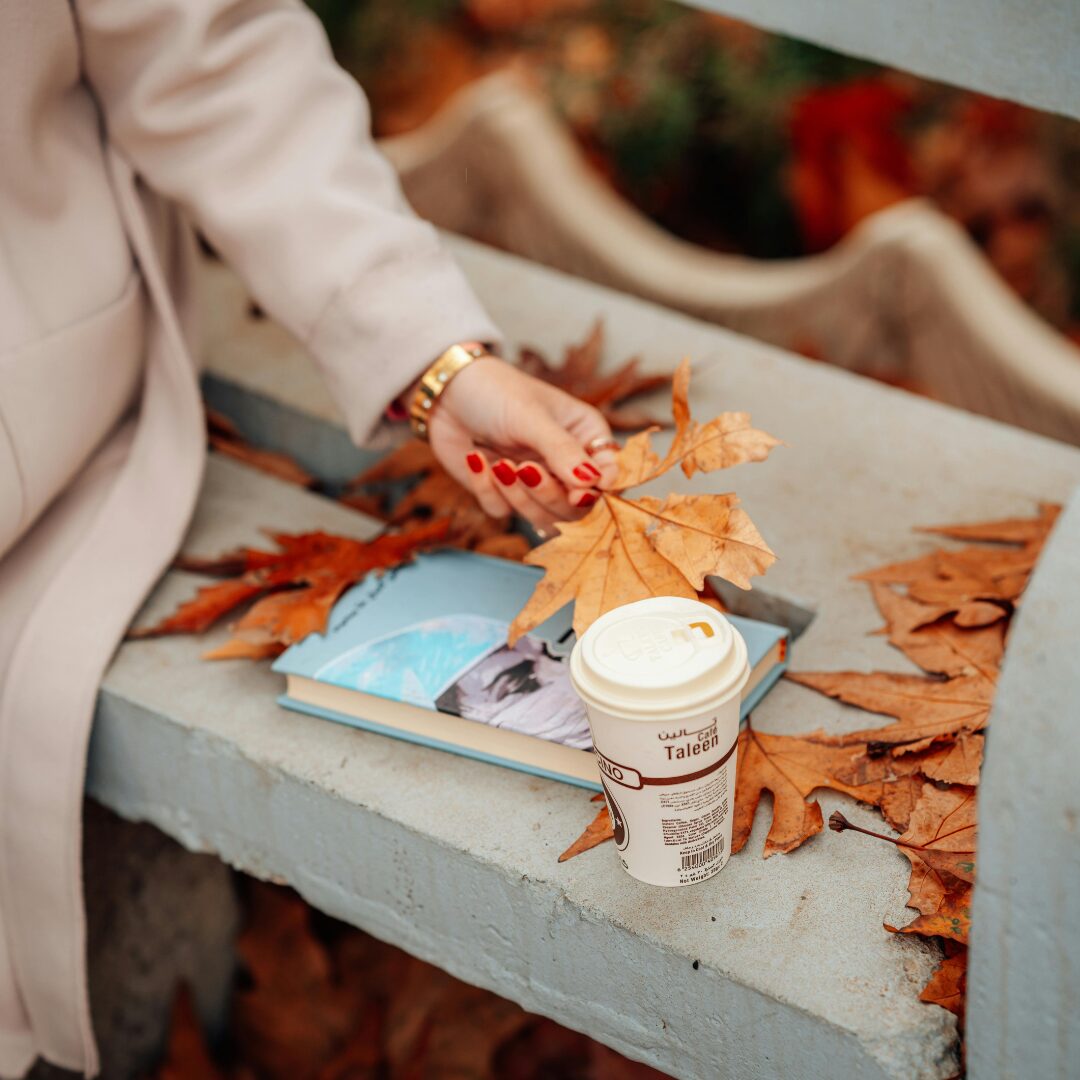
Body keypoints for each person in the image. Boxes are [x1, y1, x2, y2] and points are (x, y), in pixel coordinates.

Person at [0, 2, 617, 1075]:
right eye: (511, 682)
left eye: (512, 680)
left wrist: (433, 362)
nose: (526, 676)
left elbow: (211, 54)